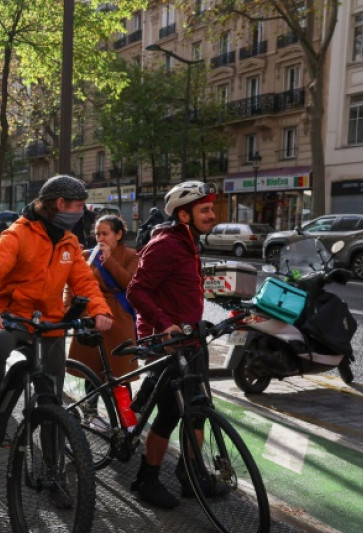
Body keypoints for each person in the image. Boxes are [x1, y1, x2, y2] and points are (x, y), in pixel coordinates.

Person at [0, 175, 113, 439]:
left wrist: (100, 310)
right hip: (12, 316)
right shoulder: (18, 233)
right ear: (60, 203)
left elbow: (84, 281)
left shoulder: (69, 241)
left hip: (50, 322)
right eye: (78, 206)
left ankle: (55, 464)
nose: (82, 212)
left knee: (52, 401)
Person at [126, 181, 218, 509]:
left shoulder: (189, 242)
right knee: (168, 414)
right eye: (204, 209)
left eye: (211, 208)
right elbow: (136, 291)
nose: (212, 214)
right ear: (184, 214)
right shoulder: (166, 243)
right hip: (166, 341)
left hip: (189, 339)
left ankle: (191, 475)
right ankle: (146, 479)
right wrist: (165, 324)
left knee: (198, 412)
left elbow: (183, 291)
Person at [66, 215, 140, 391]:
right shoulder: (87, 255)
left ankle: (123, 416)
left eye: (105, 233)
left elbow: (129, 284)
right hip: (91, 314)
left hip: (119, 317)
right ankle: (90, 412)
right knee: (91, 372)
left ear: (118, 235)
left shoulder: (131, 256)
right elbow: (73, 283)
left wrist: (109, 260)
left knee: (121, 375)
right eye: (98, 234)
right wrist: (69, 305)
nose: (100, 238)